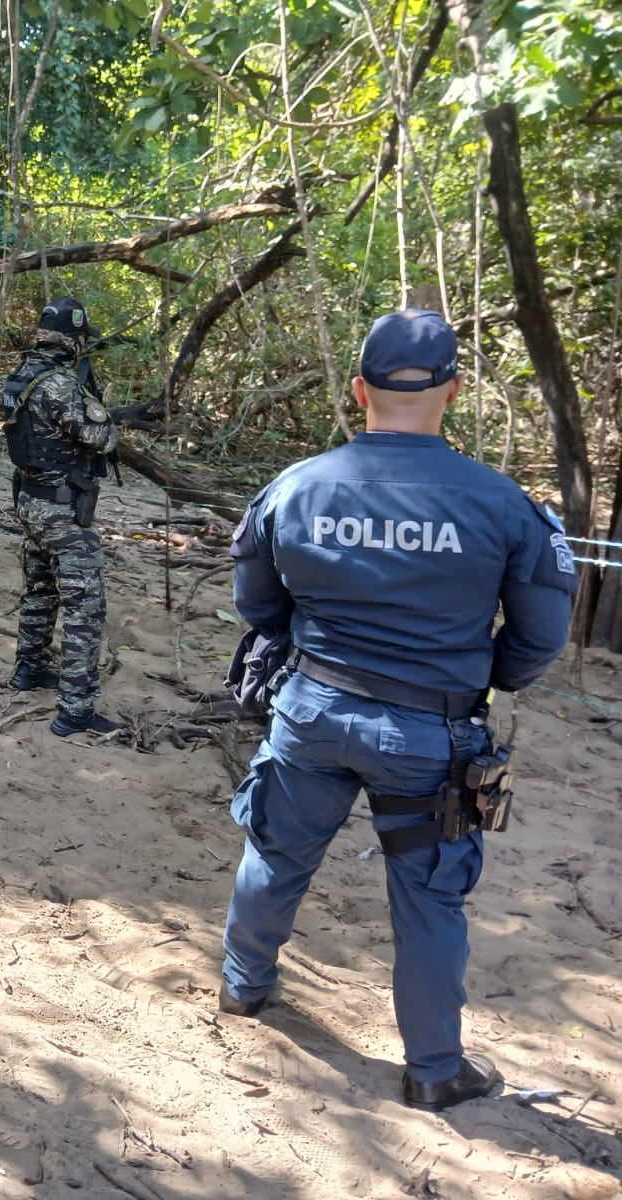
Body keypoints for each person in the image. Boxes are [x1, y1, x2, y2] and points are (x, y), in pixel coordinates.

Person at [217, 309, 575, 1111]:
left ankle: (243, 987)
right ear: (454, 390)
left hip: (311, 711)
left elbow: (258, 605)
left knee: (276, 850)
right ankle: (434, 1070)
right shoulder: (504, 504)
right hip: (429, 733)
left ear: (359, 390)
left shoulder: (296, 486)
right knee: (429, 895)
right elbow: (538, 640)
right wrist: (478, 680)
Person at [2, 297, 123, 737]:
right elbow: (102, 438)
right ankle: (76, 709)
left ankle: (30, 667)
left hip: (30, 502)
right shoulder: (60, 385)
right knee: (84, 607)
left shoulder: (21, 376)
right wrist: (101, 406)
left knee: (39, 589)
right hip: (61, 511)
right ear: (73, 339)